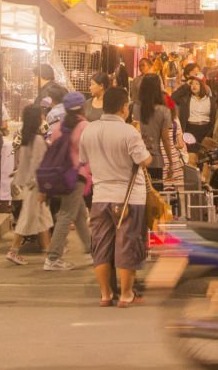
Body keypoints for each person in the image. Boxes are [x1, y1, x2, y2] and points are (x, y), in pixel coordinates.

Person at [79, 86, 152, 307]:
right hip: (129, 198)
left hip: (100, 195)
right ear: (124, 107)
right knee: (127, 244)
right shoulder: (129, 131)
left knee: (101, 246)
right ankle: (127, 294)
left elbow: (84, 159)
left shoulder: (89, 130)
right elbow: (144, 161)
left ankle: (105, 294)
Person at [43, 92, 92, 271]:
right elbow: (90, 153)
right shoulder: (85, 126)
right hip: (77, 176)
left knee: (79, 214)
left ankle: (91, 249)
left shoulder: (61, 126)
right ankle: (53, 258)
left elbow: (51, 144)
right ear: (82, 107)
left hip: (62, 176)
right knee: (66, 215)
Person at [8, 104, 52, 265]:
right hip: (36, 185)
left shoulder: (26, 137)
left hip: (28, 183)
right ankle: (13, 250)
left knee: (42, 217)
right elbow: (38, 165)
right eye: (41, 115)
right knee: (27, 219)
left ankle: (49, 249)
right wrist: (42, 187)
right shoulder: (38, 140)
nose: (43, 117)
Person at [132, 72, 178, 188]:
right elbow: (166, 139)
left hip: (136, 159)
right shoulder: (164, 111)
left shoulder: (134, 108)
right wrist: (171, 162)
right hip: (155, 160)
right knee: (155, 198)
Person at [179, 73, 215, 147]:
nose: (194, 86)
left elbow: (214, 118)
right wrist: (185, 85)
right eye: (192, 84)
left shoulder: (211, 100)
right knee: (192, 156)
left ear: (203, 86)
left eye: (197, 84)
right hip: (190, 130)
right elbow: (173, 97)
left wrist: (210, 133)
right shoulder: (186, 99)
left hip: (206, 131)